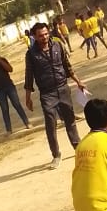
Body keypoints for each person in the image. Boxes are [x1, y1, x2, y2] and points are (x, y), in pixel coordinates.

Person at [24, 21, 87, 169]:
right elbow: (29, 76)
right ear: (35, 37)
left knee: (70, 120)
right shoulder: (31, 54)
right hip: (47, 94)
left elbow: (67, 66)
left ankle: (77, 148)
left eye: (46, 34)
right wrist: (28, 98)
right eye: (41, 35)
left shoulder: (58, 46)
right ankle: (56, 155)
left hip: (63, 88)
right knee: (51, 125)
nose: (45, 37)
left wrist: (78, 81)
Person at [0, 46, 31, 134]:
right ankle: (9, 129)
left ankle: (27, 122)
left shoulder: (2, 60)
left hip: (9, 86)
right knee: (4, 109)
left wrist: (0, 60)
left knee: (17, 104)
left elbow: (10, 69)